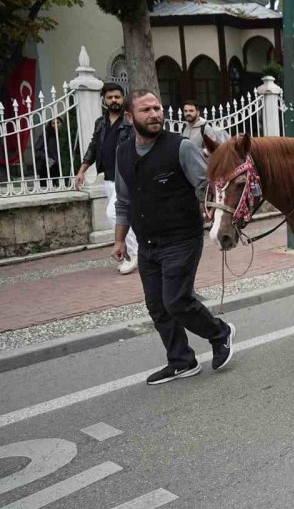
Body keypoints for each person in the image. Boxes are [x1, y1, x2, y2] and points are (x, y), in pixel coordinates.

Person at [114, 88, 235, 385]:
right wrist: (119, 240)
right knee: (157, 305)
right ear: (130, 117)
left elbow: (205, 185)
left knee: (176, 300)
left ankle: (221, 333)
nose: (155, 114)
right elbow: (124, 201)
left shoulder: (180, 147)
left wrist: (213, 211)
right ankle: (181, 360)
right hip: (147, 242)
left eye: (157, 108)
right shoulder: (123, 153)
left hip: (182, 238)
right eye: (146, 110)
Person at [74, 82, 139, 274]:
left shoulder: (129, 121)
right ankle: (140, 251)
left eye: (117, 97)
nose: (114, 100)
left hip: (126, 178)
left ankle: (135, 254)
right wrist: (82, 170)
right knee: (128, 217)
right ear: (104, 99)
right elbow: (94, 147)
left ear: (123, 98)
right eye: (110, 97)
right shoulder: (101, 123)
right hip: (109, 179)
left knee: (115, 214)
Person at [33, 117, 64, 186]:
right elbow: (38, 149)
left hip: (62, 166)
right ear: (50, 125)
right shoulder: (46, 134)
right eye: (53, 123)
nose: (56, 125)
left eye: (58, 122)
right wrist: (46, 158)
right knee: (47, 187)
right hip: (48, 166)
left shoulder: (65, 134)